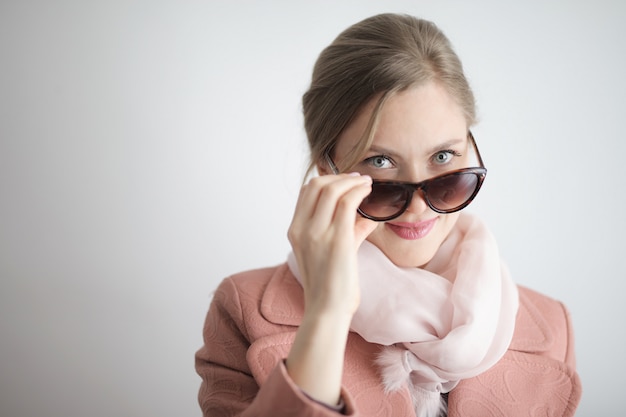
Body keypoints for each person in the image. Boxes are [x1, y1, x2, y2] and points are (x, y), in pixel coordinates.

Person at [195, 13, 582, 417]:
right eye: (380, 162)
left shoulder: (553, 328)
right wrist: (327, 313)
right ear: (328, 172)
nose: (418, 205)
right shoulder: (242, 310)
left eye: (444, 157)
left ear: (471, 148)